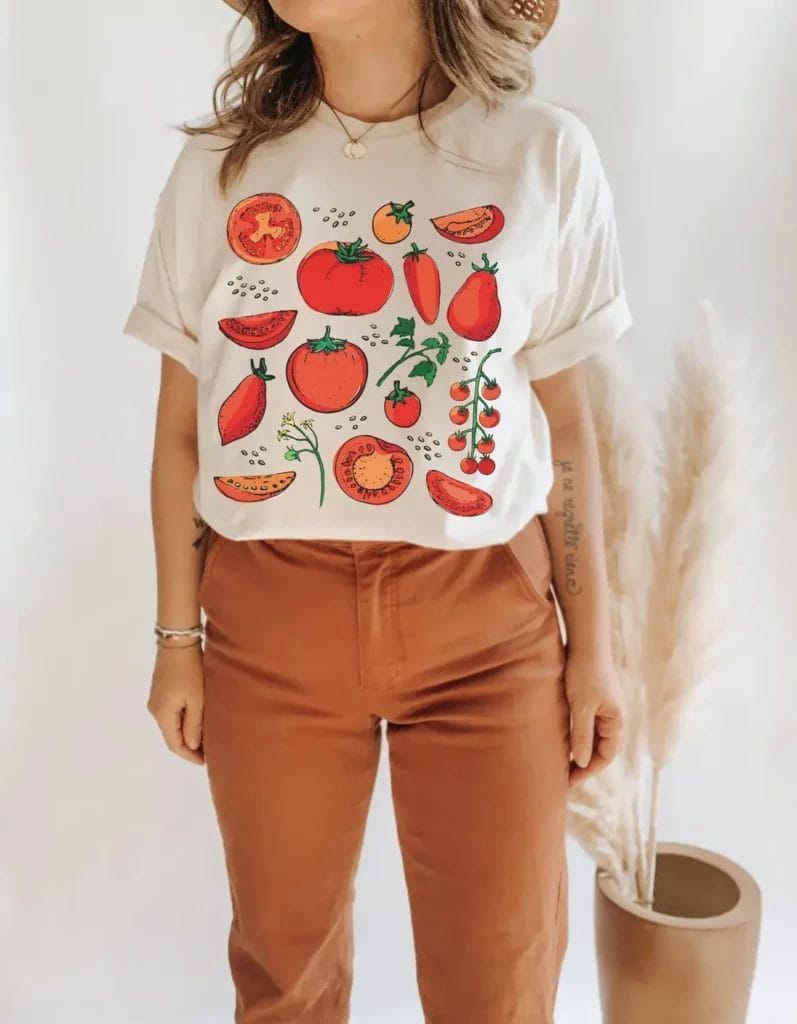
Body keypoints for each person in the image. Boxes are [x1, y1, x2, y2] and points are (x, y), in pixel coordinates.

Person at [123, 1, 632, 1020]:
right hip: (271, 622)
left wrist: (596, 648)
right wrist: (178, 638)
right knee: (282, 978)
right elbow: (180, 427)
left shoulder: (541, 156)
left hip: (489, 626)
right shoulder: (219, 173)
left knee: (500, 984)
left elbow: (568, 430)